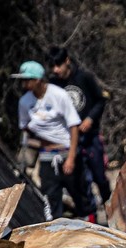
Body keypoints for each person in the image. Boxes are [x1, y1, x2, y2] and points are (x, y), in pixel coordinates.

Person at [12, 60, 96, 220]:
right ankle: (56, 232)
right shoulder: (24, 102)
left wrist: (71, 158)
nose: (24, 83)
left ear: (37, 79)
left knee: (80, 196)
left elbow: (73, 126)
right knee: (51, 197)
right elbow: (25, 127)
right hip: (46, 156)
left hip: (66, 151)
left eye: (27, 79)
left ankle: (92, 226)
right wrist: (39, 143)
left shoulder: (58, 95)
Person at [47, 46, 111, 204]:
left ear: (67, 61)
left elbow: (100, 100)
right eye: (52, 66)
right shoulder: (53, 84)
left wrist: (90, 118)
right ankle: (91, 214)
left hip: (91, 138)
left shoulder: (84, 78)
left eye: (58, 65)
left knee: (99, 176)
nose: (56, 70)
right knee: (81, 181)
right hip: (69, 141)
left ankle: (110, 202)